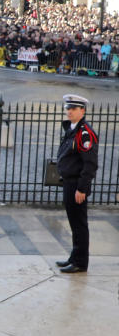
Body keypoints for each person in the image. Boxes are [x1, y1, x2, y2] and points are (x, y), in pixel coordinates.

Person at [55, 94, 98, 273]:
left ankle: (80, 262)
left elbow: (90, 164)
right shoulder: (72, 129)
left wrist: (82, 188)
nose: (69, 111)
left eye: (74, 108)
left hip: (76, 185)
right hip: (69, 182)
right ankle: (74, 257)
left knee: (79, 224)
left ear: (83, 111)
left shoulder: (85, 133)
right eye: (68, 108)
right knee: (74, 222)